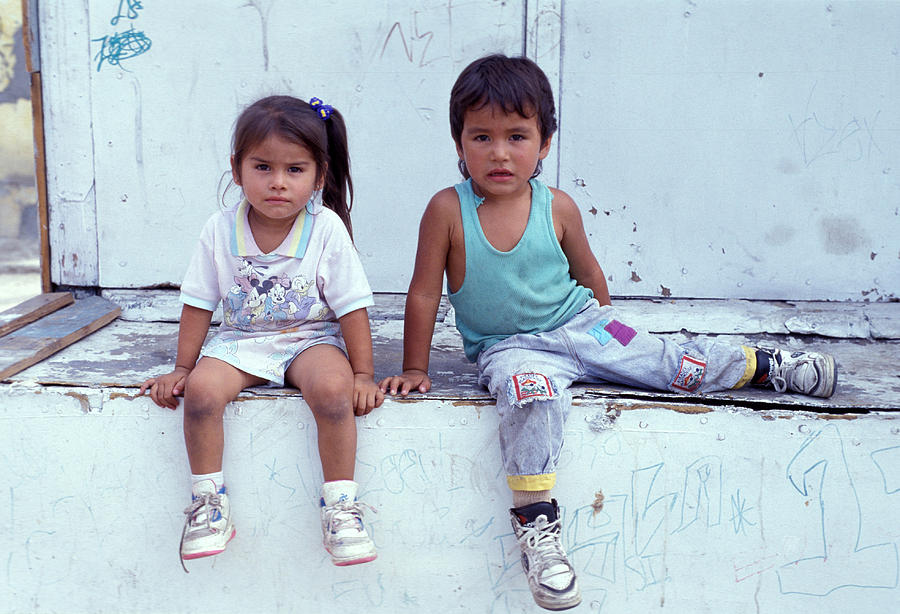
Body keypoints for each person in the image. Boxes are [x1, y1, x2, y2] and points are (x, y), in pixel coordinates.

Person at [379, 54, 837, 611]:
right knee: (530, 399)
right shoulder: (447, 210)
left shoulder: (559, 207)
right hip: (513, 348)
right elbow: (425, 292)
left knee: (669, 362)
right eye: (482, 137)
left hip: (583, 324)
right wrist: (415, 367)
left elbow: (589, 274)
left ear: (544, 143)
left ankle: (762, 366)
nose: (500, 153)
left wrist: (612, 333)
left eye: (517, 136)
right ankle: (537, 527)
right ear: (459, 143)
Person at [140, 95, 383, 571]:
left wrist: (363, 374)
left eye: (295, 170)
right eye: (263, 167)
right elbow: (198, 303)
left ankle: (341, 507)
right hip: (240, 342)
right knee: (204, 392)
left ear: (319, 176)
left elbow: (352, 307)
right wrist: (182, 368)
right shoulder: (218, 229)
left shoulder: (325, 228)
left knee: (333, 392)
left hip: (310, 338)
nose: (277, 182)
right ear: (237, 169)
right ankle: (209, 503)